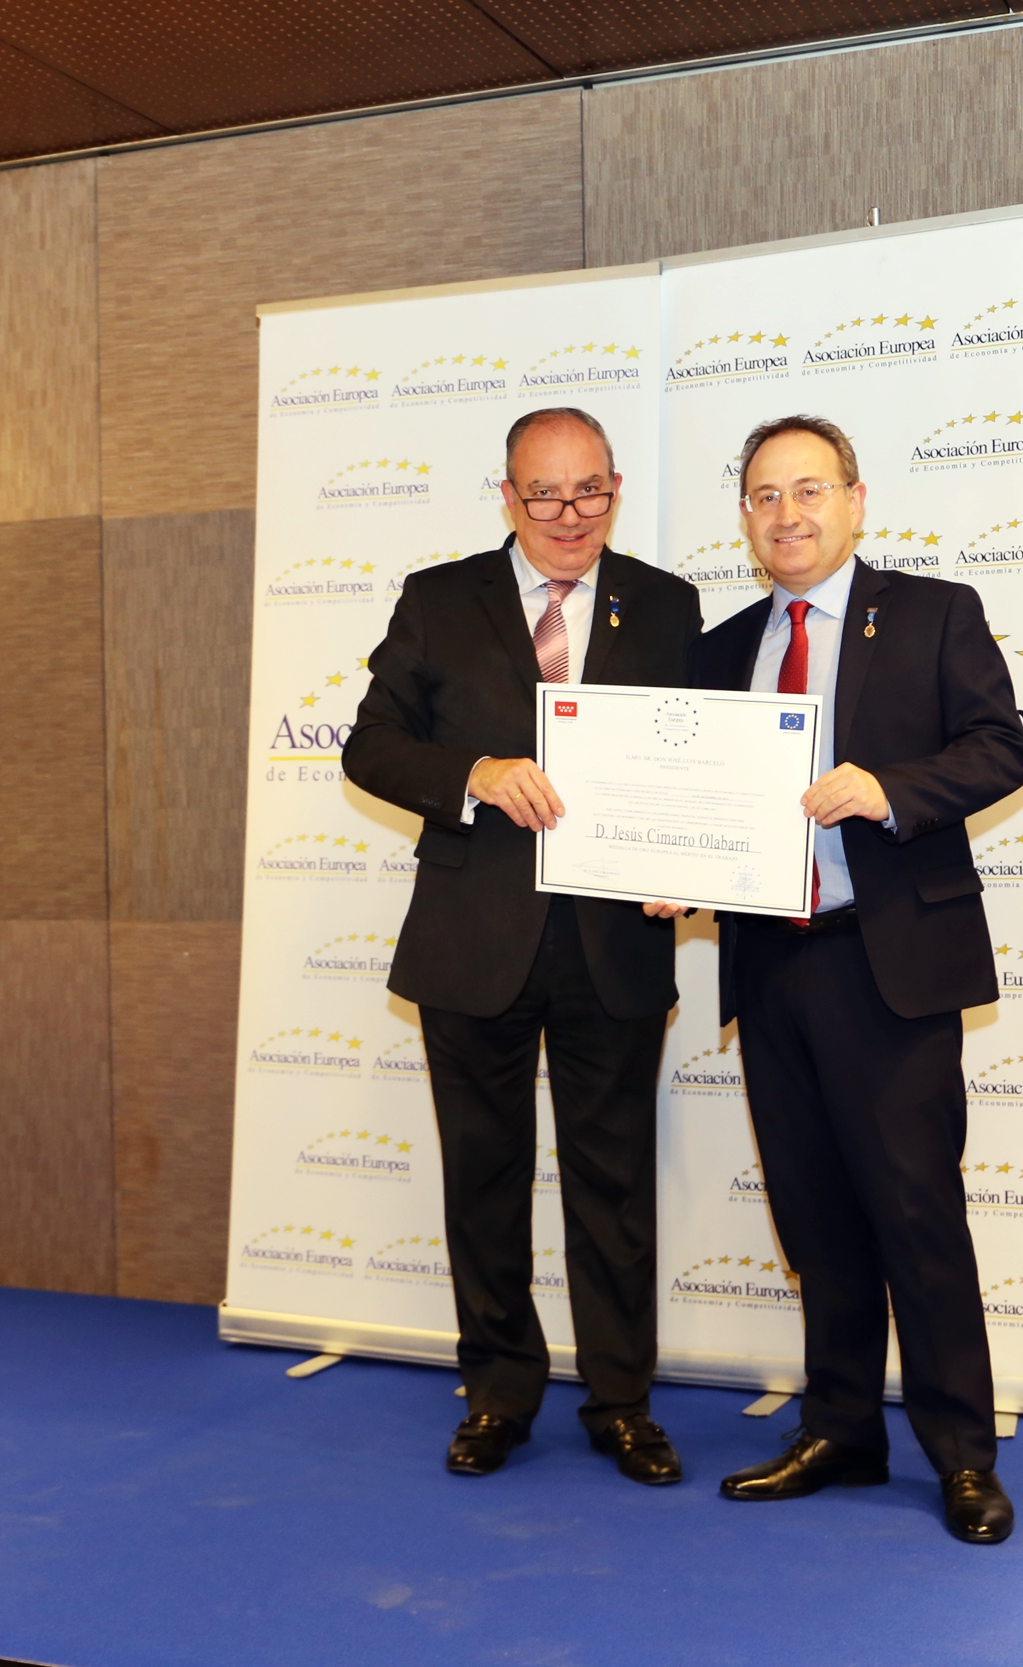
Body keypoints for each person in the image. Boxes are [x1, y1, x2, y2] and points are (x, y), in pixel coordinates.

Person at [344, 408, 701, 1483]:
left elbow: (699, 761)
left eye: (588, 490)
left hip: (615, 942)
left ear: (616, 489)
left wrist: (692, 862)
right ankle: (498, 1392)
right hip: (472, 942)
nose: (568, 514)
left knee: (615, 1188)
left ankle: (622, 1401)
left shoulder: (667, 603)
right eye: (543, 493)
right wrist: (472, 772)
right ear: (505, 494)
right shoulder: (437, 598)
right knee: (484, 1180)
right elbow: (372, 745)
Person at [694, 415, 1023, 1543]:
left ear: (855, 499)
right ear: (745, 518)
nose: (786, 514)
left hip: (887, 964)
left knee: (916, 1216)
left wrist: (888, 790)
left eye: (808, 490)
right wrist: (678, 876)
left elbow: (1000, 747)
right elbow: (703, 806)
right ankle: (839, 1429)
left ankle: (963, 1455)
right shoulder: (722, 647)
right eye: (764, 496)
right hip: (769, 963)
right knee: (816, 1217)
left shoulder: (933, 613)